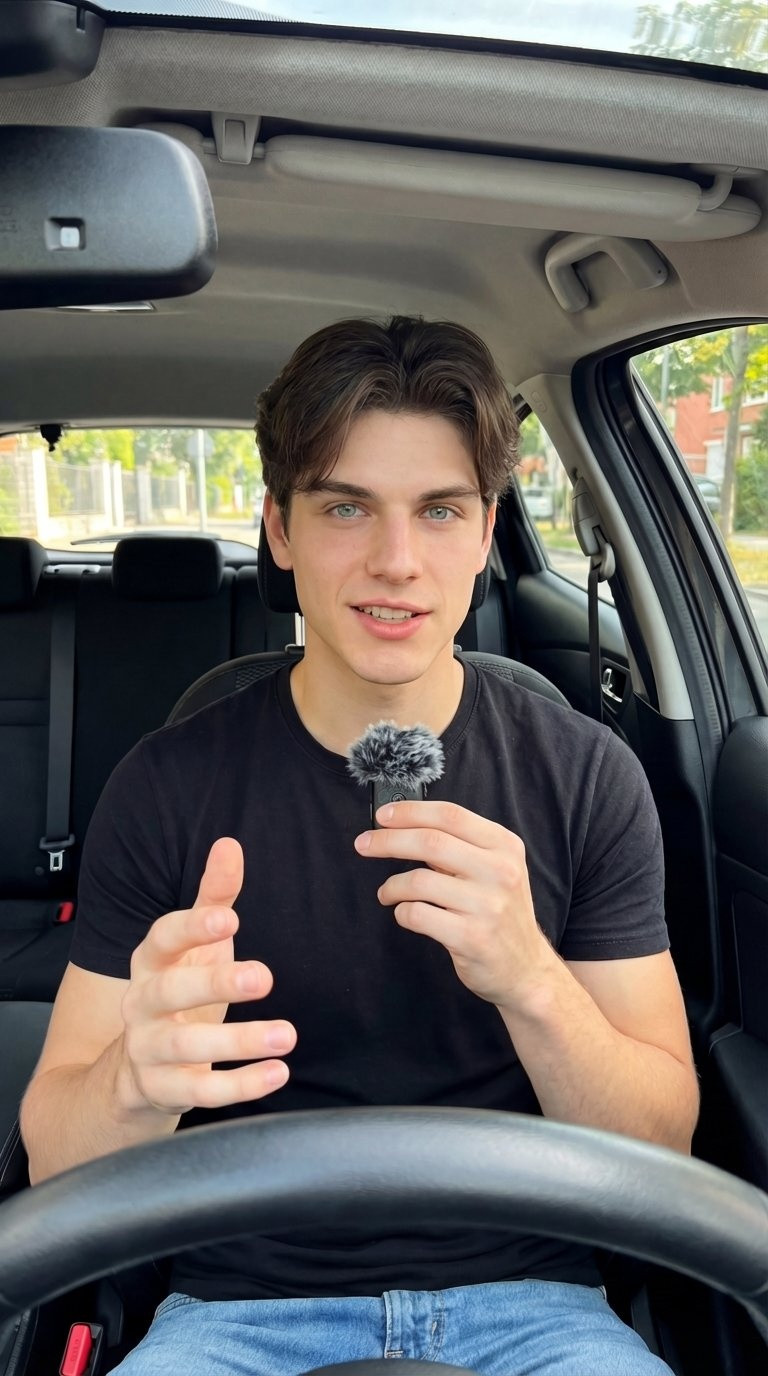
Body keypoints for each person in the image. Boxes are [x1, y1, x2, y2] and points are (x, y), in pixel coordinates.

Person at [21, 316, 699, 1375]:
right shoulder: (165, 787)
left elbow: (663, 1149)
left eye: (440, 510)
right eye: (346, 507)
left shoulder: (587, 777)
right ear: (281, 530)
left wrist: (531, 979)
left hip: (537, 1308)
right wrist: (133, 1084)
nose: (397, 561)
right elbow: (54, 1160)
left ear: (487, 531)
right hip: (233, 1310)